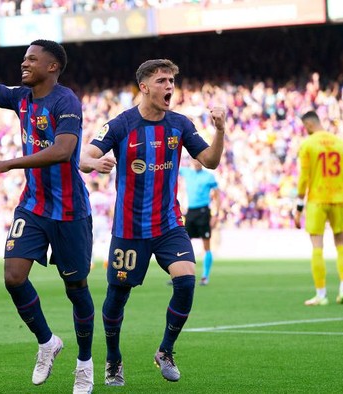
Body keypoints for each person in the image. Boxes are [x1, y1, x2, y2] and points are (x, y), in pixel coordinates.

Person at [0, 8, 95, 394]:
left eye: (32, 58)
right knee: (13, 277)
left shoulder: (65, 100)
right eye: (24, 58)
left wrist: (9, 163)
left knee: (76, 289)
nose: (24, 62)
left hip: (70, 211)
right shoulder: (21, 98)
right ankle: (47, 342)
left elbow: (63, 150)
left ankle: (84, 364)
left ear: (52, 66)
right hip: (34, 207)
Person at [80, 59, 226, 386]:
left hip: (169, 224)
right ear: (144, 87)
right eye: (162, 81)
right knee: (117, 297)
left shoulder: (180, 124)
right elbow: (83, 156)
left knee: (186, 282)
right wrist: (94, 162)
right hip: (130, 229)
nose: (169, 87)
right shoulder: (121, 125)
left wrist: (219, 130)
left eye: (172, 81)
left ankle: (165, 351)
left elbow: (211, 161)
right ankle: (114, 358)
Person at [293, 110, 343, 306]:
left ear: (309, 125)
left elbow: (304, 178)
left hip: (317, 199)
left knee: (317, 246)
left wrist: (299, 206)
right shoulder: (341, 143)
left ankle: (321, 294)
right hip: (338, 198)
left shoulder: (308, 144)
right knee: (340, 243)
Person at [179, 158, 220, 286]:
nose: (196, 163)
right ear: (191, 161)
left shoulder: (209, 177)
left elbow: (217, 196)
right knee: (183, 244)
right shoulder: (186, 172)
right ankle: (180, 275)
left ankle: (205, 276)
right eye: (194, 160)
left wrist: (216, 214)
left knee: (206, 245)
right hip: (191, 212)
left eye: (198, 161)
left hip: (203, 212)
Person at [88, 179, 114, 269]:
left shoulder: (90, 197)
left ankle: (90, 262)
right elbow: (110, 211)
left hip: (94, 220)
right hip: (103, 220)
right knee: (105, 242)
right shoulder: (104, 197)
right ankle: (106, 260)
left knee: (90, 241)